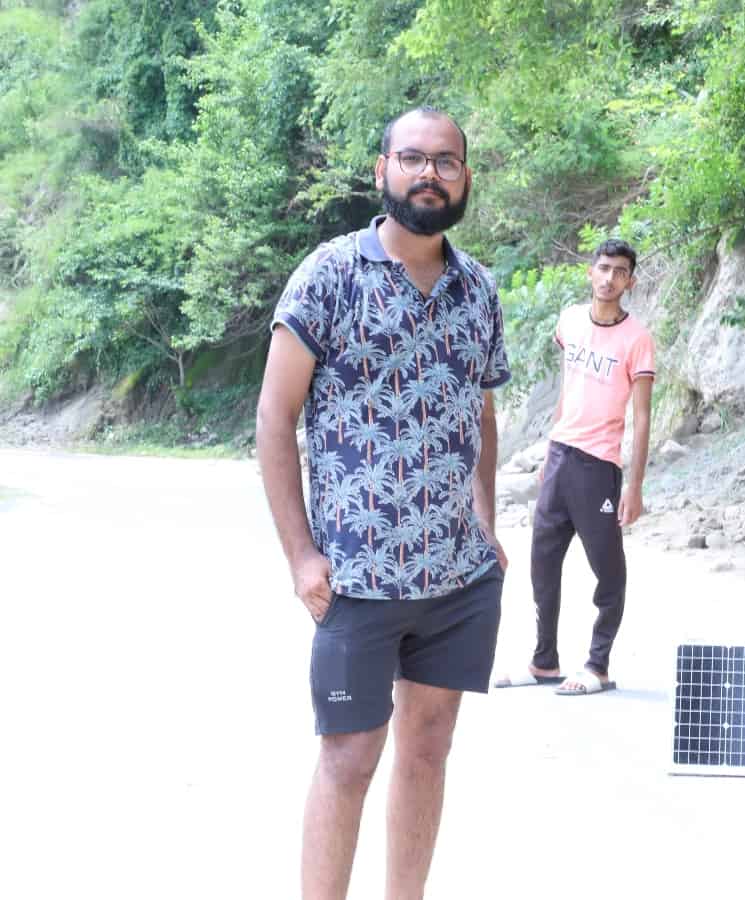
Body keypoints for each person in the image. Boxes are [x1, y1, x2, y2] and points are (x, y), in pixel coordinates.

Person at [256, 107, 510, 900]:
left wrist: (486, 521)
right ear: (382, 171)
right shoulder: (329, 275)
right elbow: (274, 415)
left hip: (458, 585)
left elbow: (483, 409)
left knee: (427, 750)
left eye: (446, 161)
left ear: (466, 179)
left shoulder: (479, 289)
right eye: (412, 158)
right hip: (357, 579)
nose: (429, 173)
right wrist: (302, 554)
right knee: (348, 757)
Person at [493, 239, 654, 696]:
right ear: (590, 272)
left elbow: (642, 417)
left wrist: (635, 485)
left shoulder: (636, 340)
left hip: (599, 466)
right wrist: (548, 453)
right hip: (561, 455)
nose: (609, 278)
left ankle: (597, 665)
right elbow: (569, 387)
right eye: (603, 268)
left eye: (619, 272)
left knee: (608, 571)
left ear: (630, 281)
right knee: (542, 564)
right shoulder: (569, 321)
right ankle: (544, 662)